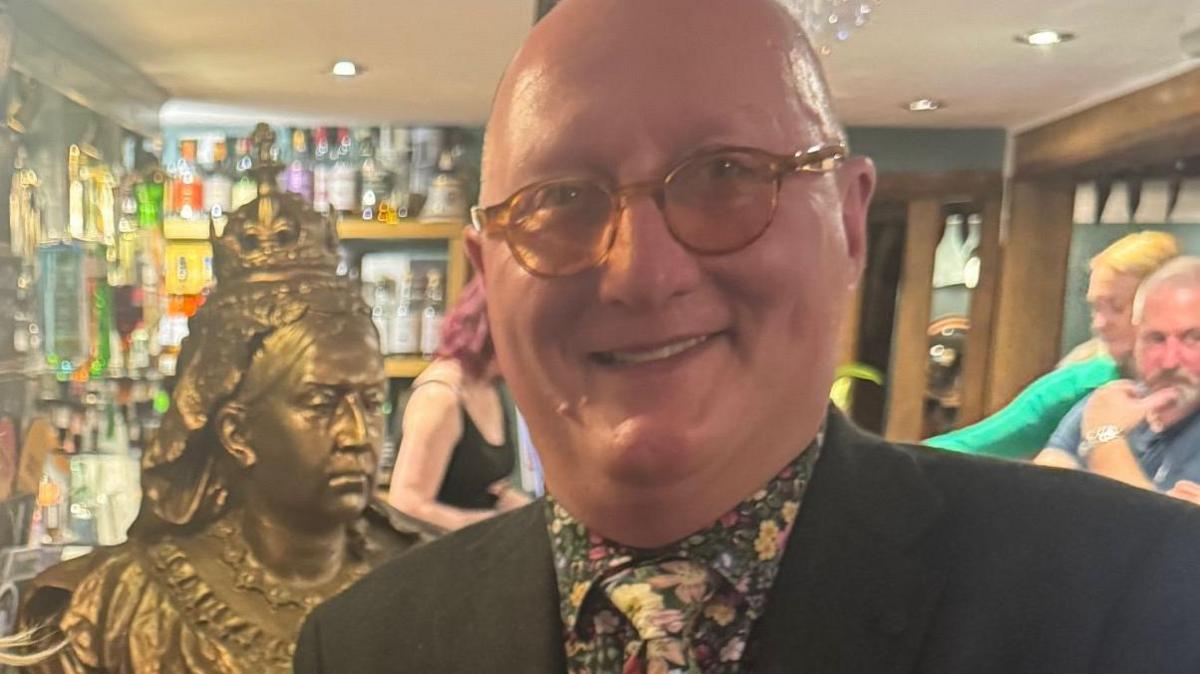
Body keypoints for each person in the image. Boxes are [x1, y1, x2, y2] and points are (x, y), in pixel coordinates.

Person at [295, 2, 1200, 673]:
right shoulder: (364, 648)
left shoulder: (1135, 601)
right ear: (485, 274)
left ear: (849, 226)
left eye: (728, 174)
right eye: (559, 199)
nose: (642, 272)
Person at [18, 125, 438, 674]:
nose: (358, 436)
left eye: (370, 401)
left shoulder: (439, 584)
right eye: (320, 403)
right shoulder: (108, 610)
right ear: (236, 432)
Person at [925, 230, 1178, 459]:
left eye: (1116, 307)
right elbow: (977, 442)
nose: (1100, 323)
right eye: (1096, 308)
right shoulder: (1083, 384)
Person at [1036, 257, 1200, 504]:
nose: (1169, 361)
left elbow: (1153, 533)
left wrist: (1104, 439)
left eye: (1193, 338)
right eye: (1156, 339)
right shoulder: (1108, 403)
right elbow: (1040, 496)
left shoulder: (1102, 419)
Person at [388, 276, 531, 530]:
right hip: (441, 556)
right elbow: (406, 504)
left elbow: (477, 481)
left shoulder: (490, 387)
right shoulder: (440, 397)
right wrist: (489, 526)